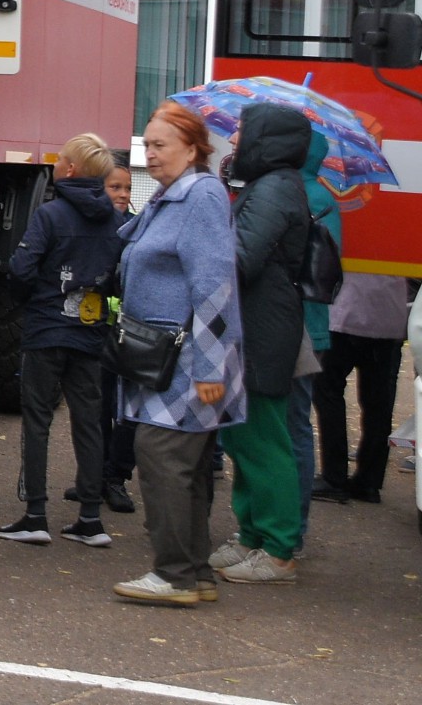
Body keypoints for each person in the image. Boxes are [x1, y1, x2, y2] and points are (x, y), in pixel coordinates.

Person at [111, 102, 245, 607]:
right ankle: (194, 573)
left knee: (162, 459)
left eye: (160, 145)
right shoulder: (176, 196)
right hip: (169, 360)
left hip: (186, 363)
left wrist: (212, 369)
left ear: (193, 149)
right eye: (147, 144)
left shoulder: (200, 198)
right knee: (181, 465)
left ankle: (174, 575)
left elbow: (214, 289)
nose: (150, 154)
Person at [0, 134, 123, 548]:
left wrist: (29, 301)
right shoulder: (116, 222)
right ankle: (90, 517)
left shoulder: (50, 215)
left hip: (46, 329)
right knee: (89, 421)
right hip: (91, 334)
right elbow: (122, 277)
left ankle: (35, 514)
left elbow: (21, 268)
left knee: (37, 420)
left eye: (60, 159)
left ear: (70, 169)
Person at [214, 103, 311, 585]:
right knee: (241, 435)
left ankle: (277, 549)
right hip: (255, 324)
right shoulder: (267, 185)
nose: (233, 139)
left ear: (265, 140)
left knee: (264, 439)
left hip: (264, 327)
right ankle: (251, 536)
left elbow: (242, 258)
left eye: (241, 131)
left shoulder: (274, 188)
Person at [313, 264, 411, 505]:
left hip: (349, 310)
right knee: (379, 401)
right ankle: (369, 482)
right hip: (390, 313)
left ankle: (334, 477)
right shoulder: (405, 226)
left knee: (327, 389)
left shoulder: (352, 225)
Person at [74, 161, 140, 514]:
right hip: (97, 332)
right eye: (116, 188)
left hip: (129, 335)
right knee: (96, 407)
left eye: (127, 189)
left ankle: (117, 477)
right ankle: (94, 476)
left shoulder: (134, 227)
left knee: (126, 411)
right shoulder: (94, 226)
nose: (123, 195)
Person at [294, 136, 336, 535]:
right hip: (315, 325)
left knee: (292, 428)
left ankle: (294, 527)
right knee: (298, 424)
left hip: (296, 328)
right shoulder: (324, 196)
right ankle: (296, 525)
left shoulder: (299, 195)